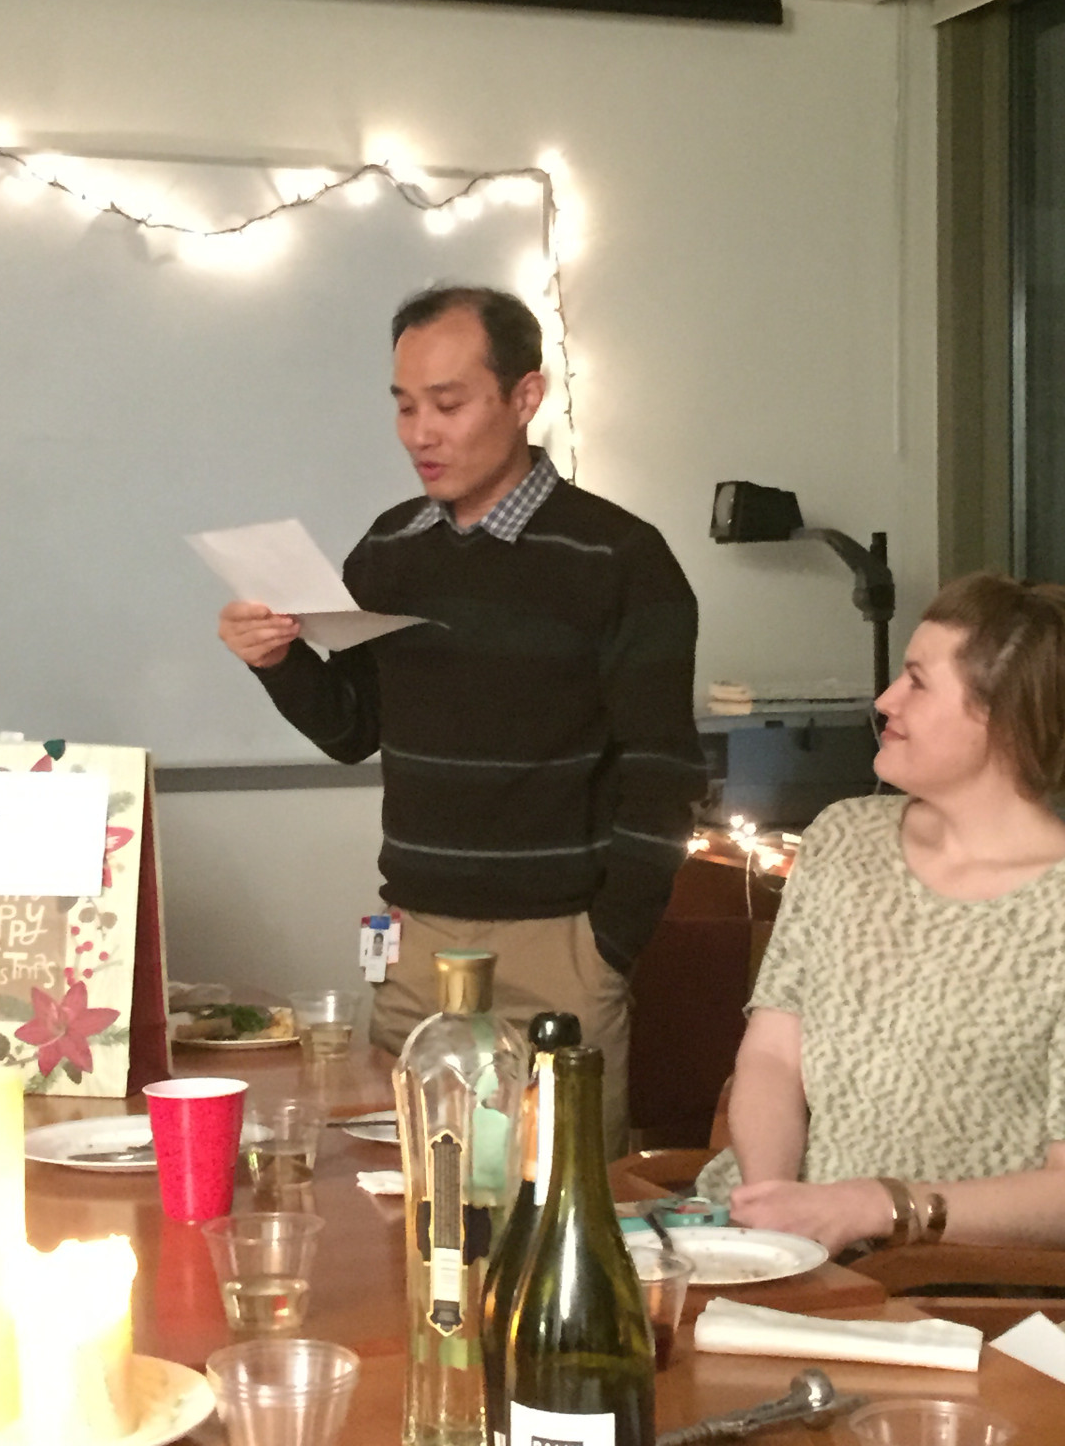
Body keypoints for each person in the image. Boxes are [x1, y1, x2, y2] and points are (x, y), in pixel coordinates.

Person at [218, 285, 704, 1153]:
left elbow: (663, 772)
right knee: (405, 1191)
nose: (420, 433)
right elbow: (352, 730)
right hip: (415, 945)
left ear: (525, 397)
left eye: (447, 404)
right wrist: (277, 661)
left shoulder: (619, 558)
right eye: (405, 406)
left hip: (560, 948)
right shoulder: (391, 548)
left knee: (558, 1196)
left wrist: (608, 946)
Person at [697, 573, 1065, 1253]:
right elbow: (773, 1058)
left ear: (1006, 718)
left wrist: (876, 1208)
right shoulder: (843, 837)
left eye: (918, 682)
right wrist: (778, 1209)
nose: (885, 700)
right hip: (779, 1248)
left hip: (944, 1284)